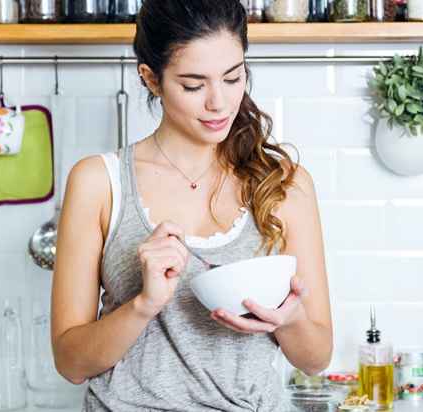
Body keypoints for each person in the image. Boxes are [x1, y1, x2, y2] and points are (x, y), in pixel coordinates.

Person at [50, 0, 332, 410]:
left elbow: (316, 356)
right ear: (151, 79)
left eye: (233, 78)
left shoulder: (285, 185)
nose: (219, 103)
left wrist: (289, 320)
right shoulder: (99, 183)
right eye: (194, 85)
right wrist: (143, 305)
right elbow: (71, 363)